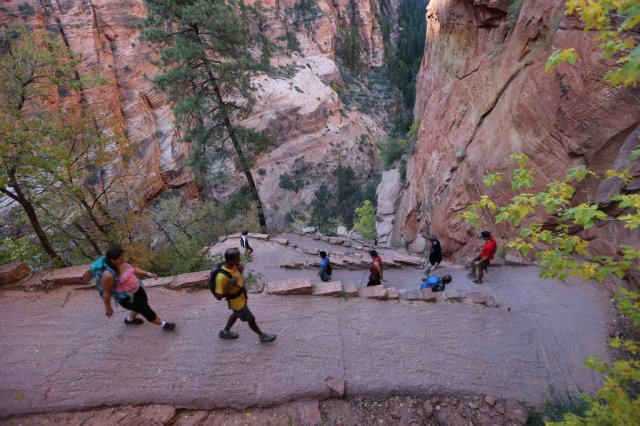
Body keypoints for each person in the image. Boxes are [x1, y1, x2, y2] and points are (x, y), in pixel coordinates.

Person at [95, 246, 176, 330]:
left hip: (138, 289)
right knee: (146, 310)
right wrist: (108, 308)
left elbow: (133, 270)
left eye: (123, 256)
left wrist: (148, 274)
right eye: (120, 258)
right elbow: (106, 294)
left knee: (142, 305)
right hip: (126, 298)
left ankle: (129, 320)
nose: (124, 259)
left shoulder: (124, 262)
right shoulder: (108, 275)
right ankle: (164, 325)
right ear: (112, 260)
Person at [216, 248, 276, 342]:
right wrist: (230, 285)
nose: (240, 260)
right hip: (236, 302)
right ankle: (262, 336)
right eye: (238, 258)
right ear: (230, 260)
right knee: (251, 319)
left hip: (241, 297)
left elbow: (238, 274)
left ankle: (225, 332)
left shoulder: (233, 265)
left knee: (235, 314)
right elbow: (218, 297)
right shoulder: (221, 277)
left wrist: (239, 268)